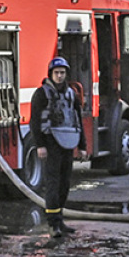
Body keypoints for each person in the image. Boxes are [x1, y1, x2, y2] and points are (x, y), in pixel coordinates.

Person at [29, 56, 87, 238]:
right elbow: (35, 121)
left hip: (67, 143)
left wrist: (83, 146)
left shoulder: (71, 94)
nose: (60, 76)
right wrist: (40, 145)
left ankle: (60, 220)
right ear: (50, 74)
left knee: (64, 184)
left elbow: (78, 120)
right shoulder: (41, 94)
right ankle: (52, 224)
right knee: (53, 184)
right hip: (50, 143)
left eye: (62, 73)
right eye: (57, 73)